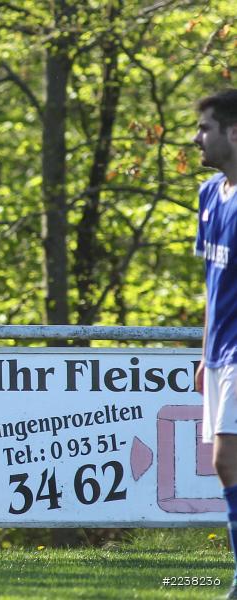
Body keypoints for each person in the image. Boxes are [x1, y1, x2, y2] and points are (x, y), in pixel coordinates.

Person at [193, 88, 237, 598]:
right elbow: (211, 284)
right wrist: (204, 353)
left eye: (205, 128)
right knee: (224, 463)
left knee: (228, 460)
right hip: (221, 351)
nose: (196, 139)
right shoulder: (209, 193)